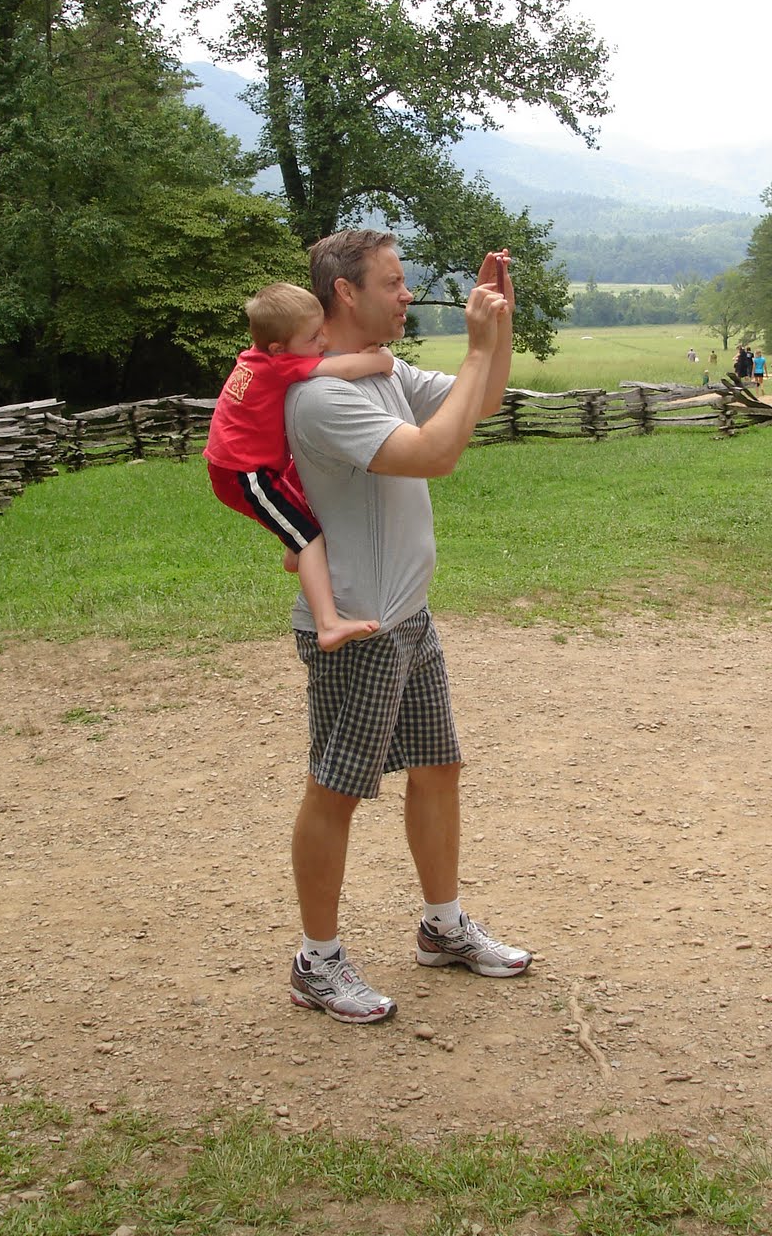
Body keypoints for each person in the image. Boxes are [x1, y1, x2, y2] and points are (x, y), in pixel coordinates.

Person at [282, 230, 531, 1024]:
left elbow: (478, 404)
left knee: (438, 767)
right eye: (393, 282)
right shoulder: (324, 398)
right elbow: (434, 454)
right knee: (337, 790)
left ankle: (442, 926)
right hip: (358, 625)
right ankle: (317, 962)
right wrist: (475, 347)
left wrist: (498, 327)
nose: (407, 294)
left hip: (407, 615)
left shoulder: (380, 371)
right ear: (345, 292)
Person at [204, 282, 394, 653]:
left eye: (322, 330)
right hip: (244, 473)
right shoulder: (280, 364)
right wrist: (381, 360)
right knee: (310, 537)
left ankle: (296, 553)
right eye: (312, 337)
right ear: (279, 347)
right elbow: (339, 368)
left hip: (251, 467)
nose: (322, 340)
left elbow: (329, 362)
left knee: (305, 505)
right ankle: (328, 624)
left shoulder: (261, 356)